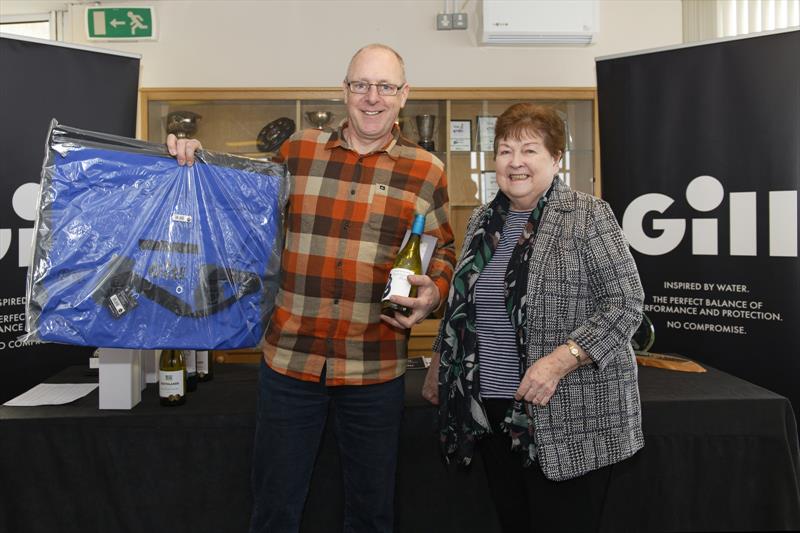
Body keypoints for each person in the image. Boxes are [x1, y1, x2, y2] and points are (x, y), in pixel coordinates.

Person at [168, 44, 455, 533]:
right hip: (289, 363)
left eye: (385, 86)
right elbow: (239, 200)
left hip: (374, 365)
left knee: (371, 512)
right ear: (344, 91)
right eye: (361, 84)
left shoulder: (427, 170)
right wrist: (197, 159)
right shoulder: (297, 150)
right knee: (275, 508)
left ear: (403, 95)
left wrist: (433, 293)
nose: (372, 97)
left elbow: (443, 250)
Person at [422, 103, 644, 532]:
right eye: (505, 151)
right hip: (494, 411)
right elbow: (464, 305)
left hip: (570, 414)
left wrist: (562, 360)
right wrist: (439, 363)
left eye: (529, 150)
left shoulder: (587, 214)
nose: (515, 162)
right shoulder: (485, 220)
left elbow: (626, 303)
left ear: (556, 159)